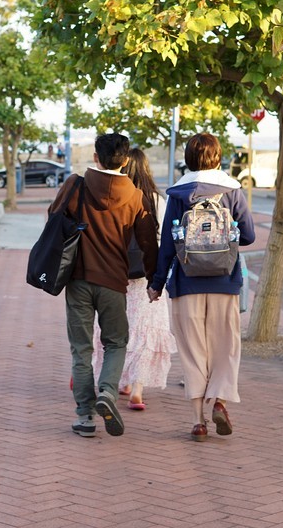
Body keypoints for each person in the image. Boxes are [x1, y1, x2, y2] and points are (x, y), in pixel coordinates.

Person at [48, 133, 159, 438]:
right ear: (125, 160)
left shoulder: (75, 186)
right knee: (116, 342)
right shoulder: (136, 196)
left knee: (82, 349)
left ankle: (85, 416)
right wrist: (154, 279)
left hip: (79, 279)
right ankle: (107, 392)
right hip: (114, 281)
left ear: (96, 157)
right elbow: (149, 242)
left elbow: (53, 218)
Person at [148, 133, 255, 441]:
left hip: (186, 281)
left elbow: (168, 245)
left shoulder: (178, 193)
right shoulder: (232, 190)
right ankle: (219, 400)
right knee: (226, 345)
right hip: (225, 281)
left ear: (189, 158)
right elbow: (248, 236)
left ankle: (198, 420)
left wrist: (156, 284)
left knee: (193, 351)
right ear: (217, 156)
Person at [91, 148, 177, 410]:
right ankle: (137, 389)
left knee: (116, 328)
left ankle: (120, 381)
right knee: (145, 329)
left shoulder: (118, 195)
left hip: (115, 272)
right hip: (146, 276)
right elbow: (165, 241)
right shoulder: (156, 199)